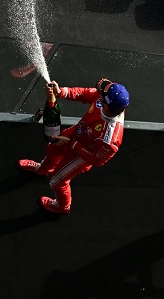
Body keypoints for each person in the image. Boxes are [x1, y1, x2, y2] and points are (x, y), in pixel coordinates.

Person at [18, 78, 129, 214]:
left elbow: (97, 160)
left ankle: (62, 207)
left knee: (56, 181)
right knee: (53, 147)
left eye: (102, 96)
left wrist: (72, 144)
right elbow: (83, 94)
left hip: (84, 154)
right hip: (77, 134)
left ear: (106, 106)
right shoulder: (108, 101)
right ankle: (43, 169)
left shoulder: (110, 139)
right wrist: (60, 92)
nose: (98, 94)